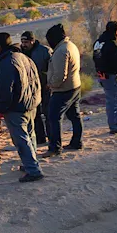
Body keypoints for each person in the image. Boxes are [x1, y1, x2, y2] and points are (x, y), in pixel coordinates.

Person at [0, 33, 44, 182]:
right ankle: (30, 164)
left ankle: (33, 169)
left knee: (21, 140)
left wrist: (0, 108)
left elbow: (4, 91)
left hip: (16, 108)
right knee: (30, 135)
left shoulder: (6, 63)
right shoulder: (24, 57)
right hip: (31, 104)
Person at [42, 24, 83, 157]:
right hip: (75, 86)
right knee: (75, 116)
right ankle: (76, 142)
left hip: (63, 90)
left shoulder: (61, 51)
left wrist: (51, 85)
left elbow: (60, 75)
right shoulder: (71, 45)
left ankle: (55, 148)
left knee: (54, 117)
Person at [21, 30, 53, 144]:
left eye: (26, 42)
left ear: (32, 41)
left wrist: (50, 82)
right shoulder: (21, 53)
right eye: (22, 42)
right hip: (30, 89)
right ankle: (40, 138)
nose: (24, 44)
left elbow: (53, 68)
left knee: (48, 113)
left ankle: (52, 137)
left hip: (45, 87)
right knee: (35, 114)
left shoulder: (45, 51)